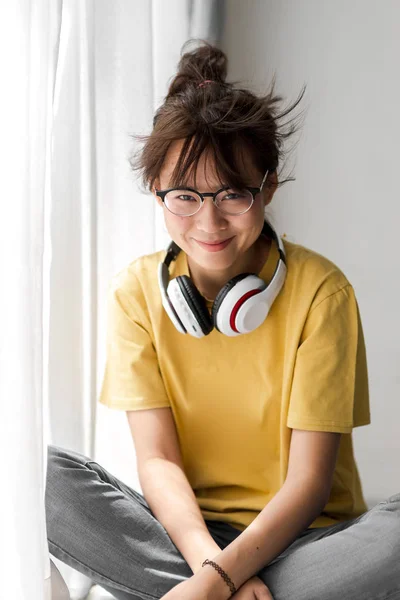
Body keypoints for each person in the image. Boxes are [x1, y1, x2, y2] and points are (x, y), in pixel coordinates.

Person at [45, 41, 400, 600]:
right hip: (185, 537)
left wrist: (215, 583)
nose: (207, 221)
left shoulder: (322, 293)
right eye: (183, 196)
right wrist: (214, 569)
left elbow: (309, 484)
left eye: (232, 194)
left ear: (269, 187)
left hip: (305, 540)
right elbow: (157, 460)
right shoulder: (136, 294)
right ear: (157, 193)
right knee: (37, 476)